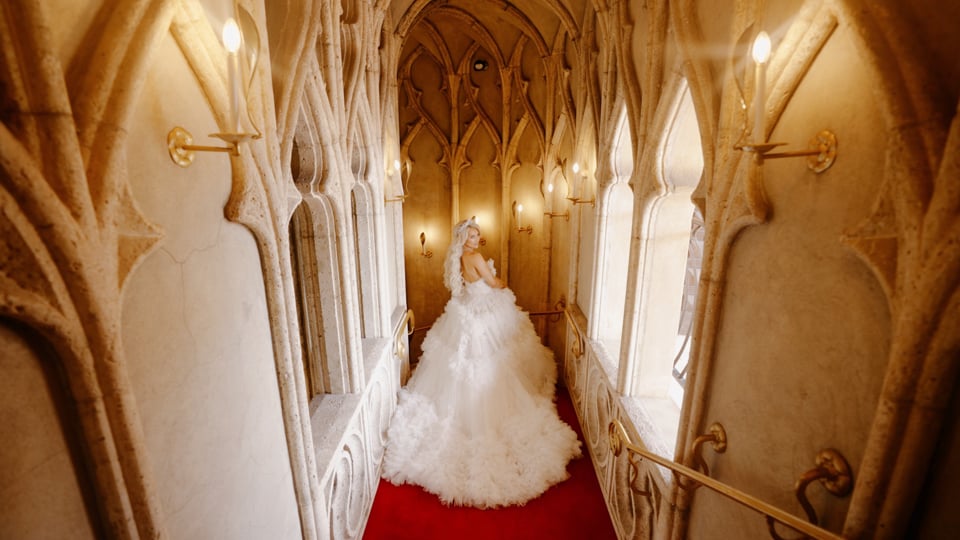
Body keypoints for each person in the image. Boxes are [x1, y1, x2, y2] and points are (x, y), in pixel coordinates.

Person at [381, 217, 582, 508]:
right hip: (481, 313)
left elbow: (462, 287)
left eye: (477, 235)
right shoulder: (474, 256)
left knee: (464, 365)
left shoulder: (459, 257)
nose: (476, 239)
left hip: (464, 311)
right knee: (493, 360)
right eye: (472, 235)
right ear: (464, 237)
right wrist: (501, 281)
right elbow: (493, 282)